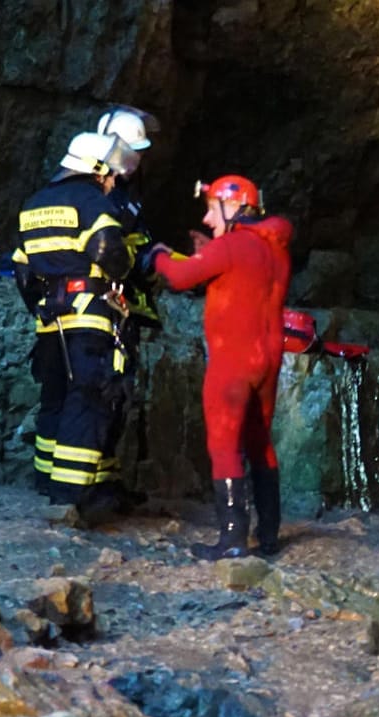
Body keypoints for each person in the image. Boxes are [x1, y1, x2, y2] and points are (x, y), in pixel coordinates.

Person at [148, 175, 293, 559]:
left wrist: (157, 255)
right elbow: (235, 276)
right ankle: (269, 536)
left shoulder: (231, 246)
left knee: (224, 445)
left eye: (213, 210)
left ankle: (231, 540)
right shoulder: (274, 248)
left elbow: (179, 277)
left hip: (234, 360)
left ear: (234, 208)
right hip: (268, 359)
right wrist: (209, 252)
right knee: (260, 442)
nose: (209, 220)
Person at [12, 132, 143, 518]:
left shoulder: (34, 203)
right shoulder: (89, 199)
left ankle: (47, 483)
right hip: (89, 315)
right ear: (97, 168)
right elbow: (107, 250)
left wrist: (41, 305)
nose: (113, 181)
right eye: (110, 173)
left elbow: (22, 270)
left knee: (54, 397)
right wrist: (131, 261)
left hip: (51, 321)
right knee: (89, 398)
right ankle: (70, 495)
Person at [89, 105, 162, 509]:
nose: (137, 159)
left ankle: (108, 483)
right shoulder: (97, 193)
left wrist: (153, 259)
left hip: (122, 311)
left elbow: (136, 244)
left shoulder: (124, 196)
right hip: (102, 309)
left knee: (118, 400)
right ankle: (90, 489)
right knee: (103, 396)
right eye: (132, 150)